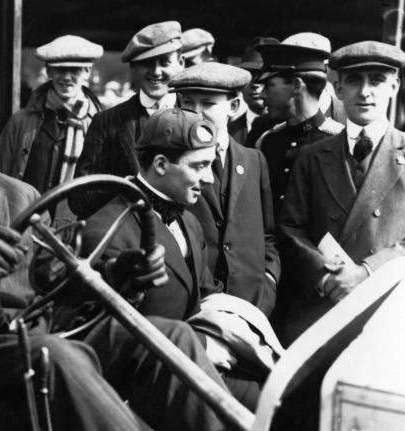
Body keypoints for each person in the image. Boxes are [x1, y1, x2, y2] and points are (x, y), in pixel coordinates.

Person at [0, 74, 237, 431]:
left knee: (170, 335)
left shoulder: (19, 194)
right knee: (56, 355)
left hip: (41, 340)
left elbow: (51, 278)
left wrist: (117, 273)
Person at [82, 108, 277, 413]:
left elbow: (204, 292)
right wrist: (202, 347)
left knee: (281, 399)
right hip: (144, 387)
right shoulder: (105, 231)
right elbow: (109, 341)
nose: (208, 178)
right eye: (199, 166)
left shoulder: (189, 220)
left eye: (211, 166)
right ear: (160, 164)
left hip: (194, 366)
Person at [278, 41, 405, 344]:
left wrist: (366, 273)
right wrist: (325, 276)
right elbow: (290, 226)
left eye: (376, 81)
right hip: (320, 304)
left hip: (386, 307)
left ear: (394, 86)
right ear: (337, 89)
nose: (365, 92)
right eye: (353, 81)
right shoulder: (312, 155)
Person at [171, 62, 280, 315]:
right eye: (188, 103)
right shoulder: (171, 165)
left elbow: (268, 235)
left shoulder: (253, 160)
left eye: (208, 104)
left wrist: (269, 283)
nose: (196, 113)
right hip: (195, 306)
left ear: (233, 107)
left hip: (252, 304)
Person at [74, 21, 184, 215]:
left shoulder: (197, 115)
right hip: (132, 240)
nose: (156, 72)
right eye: (147, 63)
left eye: (165, 62)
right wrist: (125, 191)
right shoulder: (107, 122)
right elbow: (79, 199)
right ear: (133, 68)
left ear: (181, 63)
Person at [0, 34, 103, 193]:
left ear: (87, 72)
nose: (66, 77)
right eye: (60, 69)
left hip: (76, 217)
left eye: (75, 70)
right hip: (24, 214)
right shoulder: (20, 121)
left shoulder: (100, 125)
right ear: (49, 71)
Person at [254, 42, 344, 218]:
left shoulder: (341, 141)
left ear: (296, 86)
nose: (263, 95)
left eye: (269, 85)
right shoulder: (267, 141)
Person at [230, 36, 280, 146]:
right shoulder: (228, 132)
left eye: (263, 77)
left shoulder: (289, 128)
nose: (255, 84)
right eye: (249, 76)